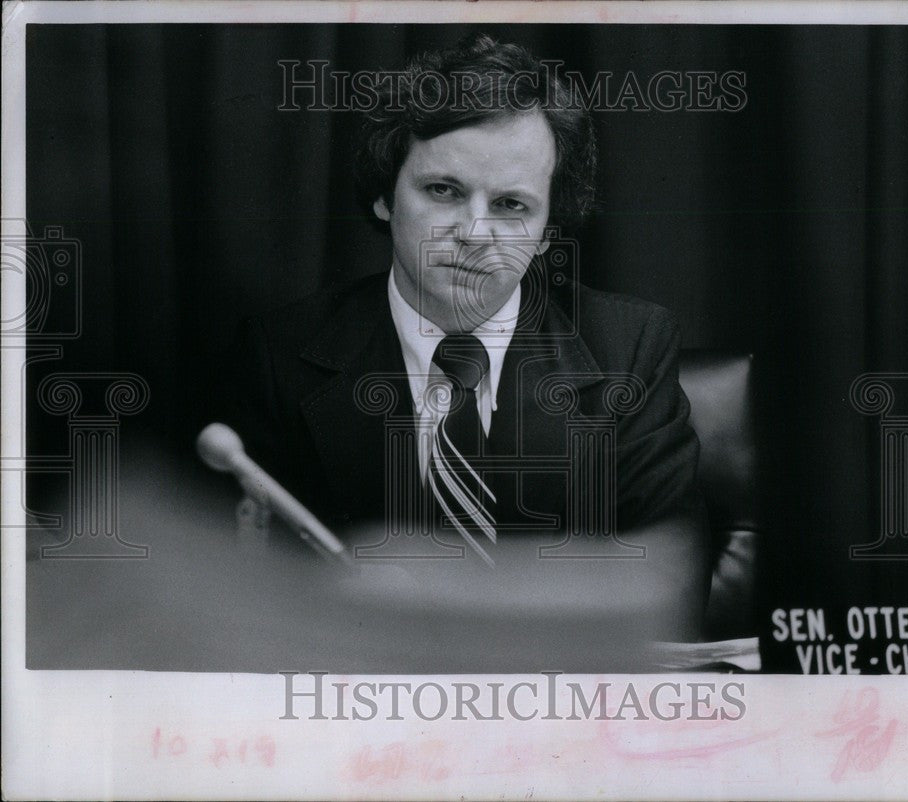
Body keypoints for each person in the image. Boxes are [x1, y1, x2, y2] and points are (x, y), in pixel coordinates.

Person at [217, 35, 709, 582]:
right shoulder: (276, 355)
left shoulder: (633, 348)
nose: (475, 234)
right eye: (445, 190)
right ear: (386, 195)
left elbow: (667, 585)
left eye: (510, 205)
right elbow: (242, 603)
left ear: (548, 231)